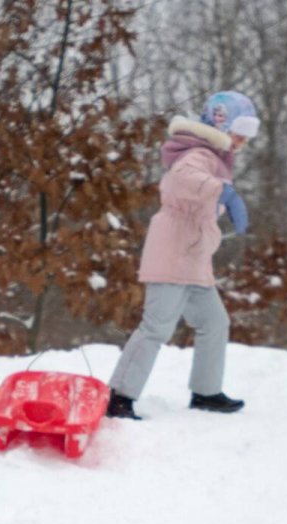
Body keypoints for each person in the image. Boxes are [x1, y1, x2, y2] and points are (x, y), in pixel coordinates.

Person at [105, 92, 260, 420]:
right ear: (221, 123)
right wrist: (224, 192)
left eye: (250, 131)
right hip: (174, 250)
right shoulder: (199, 153)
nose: (245, 138)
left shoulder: (215, 156)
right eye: (241, 129)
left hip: (193, 256)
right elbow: (183, 179)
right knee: (156, 327)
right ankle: (119, 397)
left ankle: (206, 392)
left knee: (214, 321)